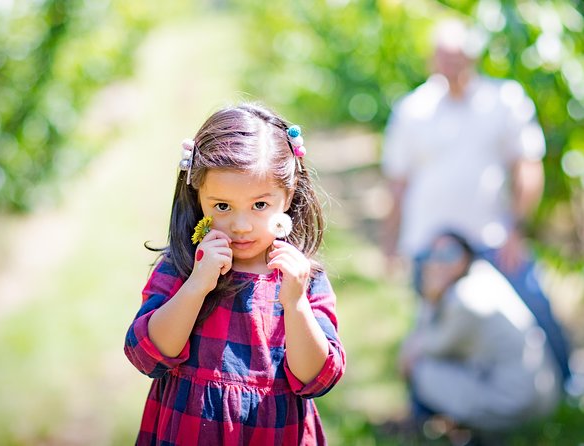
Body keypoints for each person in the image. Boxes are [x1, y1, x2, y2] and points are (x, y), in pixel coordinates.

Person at [124, 103, 346, 445]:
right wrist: (198, 285)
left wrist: (296, 304)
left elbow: (316, 379)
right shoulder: (184, 265)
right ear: (198, 196)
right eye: (222, 206)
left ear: (287, 196)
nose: (241, 226)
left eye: (260, 205)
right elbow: (146, 354)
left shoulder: (302, 278)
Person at [381, 18, 571, 384]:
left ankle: (565, 385)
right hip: (430, 242)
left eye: (459, 55)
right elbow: (398, 182)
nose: (451, 63)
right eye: (444, 55)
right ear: (431, 59)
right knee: (434, 329)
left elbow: (527, 167)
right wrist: (390, 241)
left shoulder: (504, 99)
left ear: (474, 56)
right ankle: (432, 409)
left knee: (535, 309)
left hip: (493, 236)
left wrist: (517, 227)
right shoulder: (412, 109)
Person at [400, 232, 561, 433]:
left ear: (465, 255)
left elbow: (424, 349)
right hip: (542, 397)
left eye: (449, 253)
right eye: (431, 255)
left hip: (519, 406)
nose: (437, 262)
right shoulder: (483, 274)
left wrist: (429, 301)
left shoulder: (464, 301)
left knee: (421, 369)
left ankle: (423, 424)